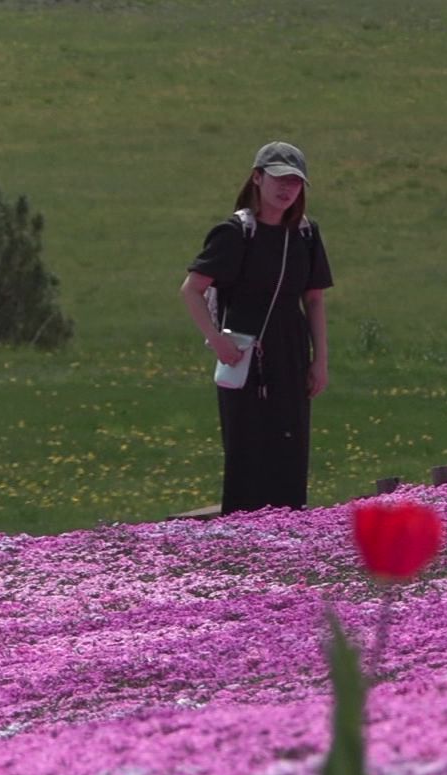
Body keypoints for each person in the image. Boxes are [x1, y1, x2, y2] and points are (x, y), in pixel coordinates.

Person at [179, 141, 333, 514]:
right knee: (246, 445)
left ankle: (290, 527)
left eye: (295, 183)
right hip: (242, 351)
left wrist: (320, 360)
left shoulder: (306, 235)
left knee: (290, 443)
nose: (287, 189)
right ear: (257, 178)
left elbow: (313, 300)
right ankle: (244, 532)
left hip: (291, 348)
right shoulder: (234, 233)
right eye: (279, 179)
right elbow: (192, 290)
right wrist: (216, 341)